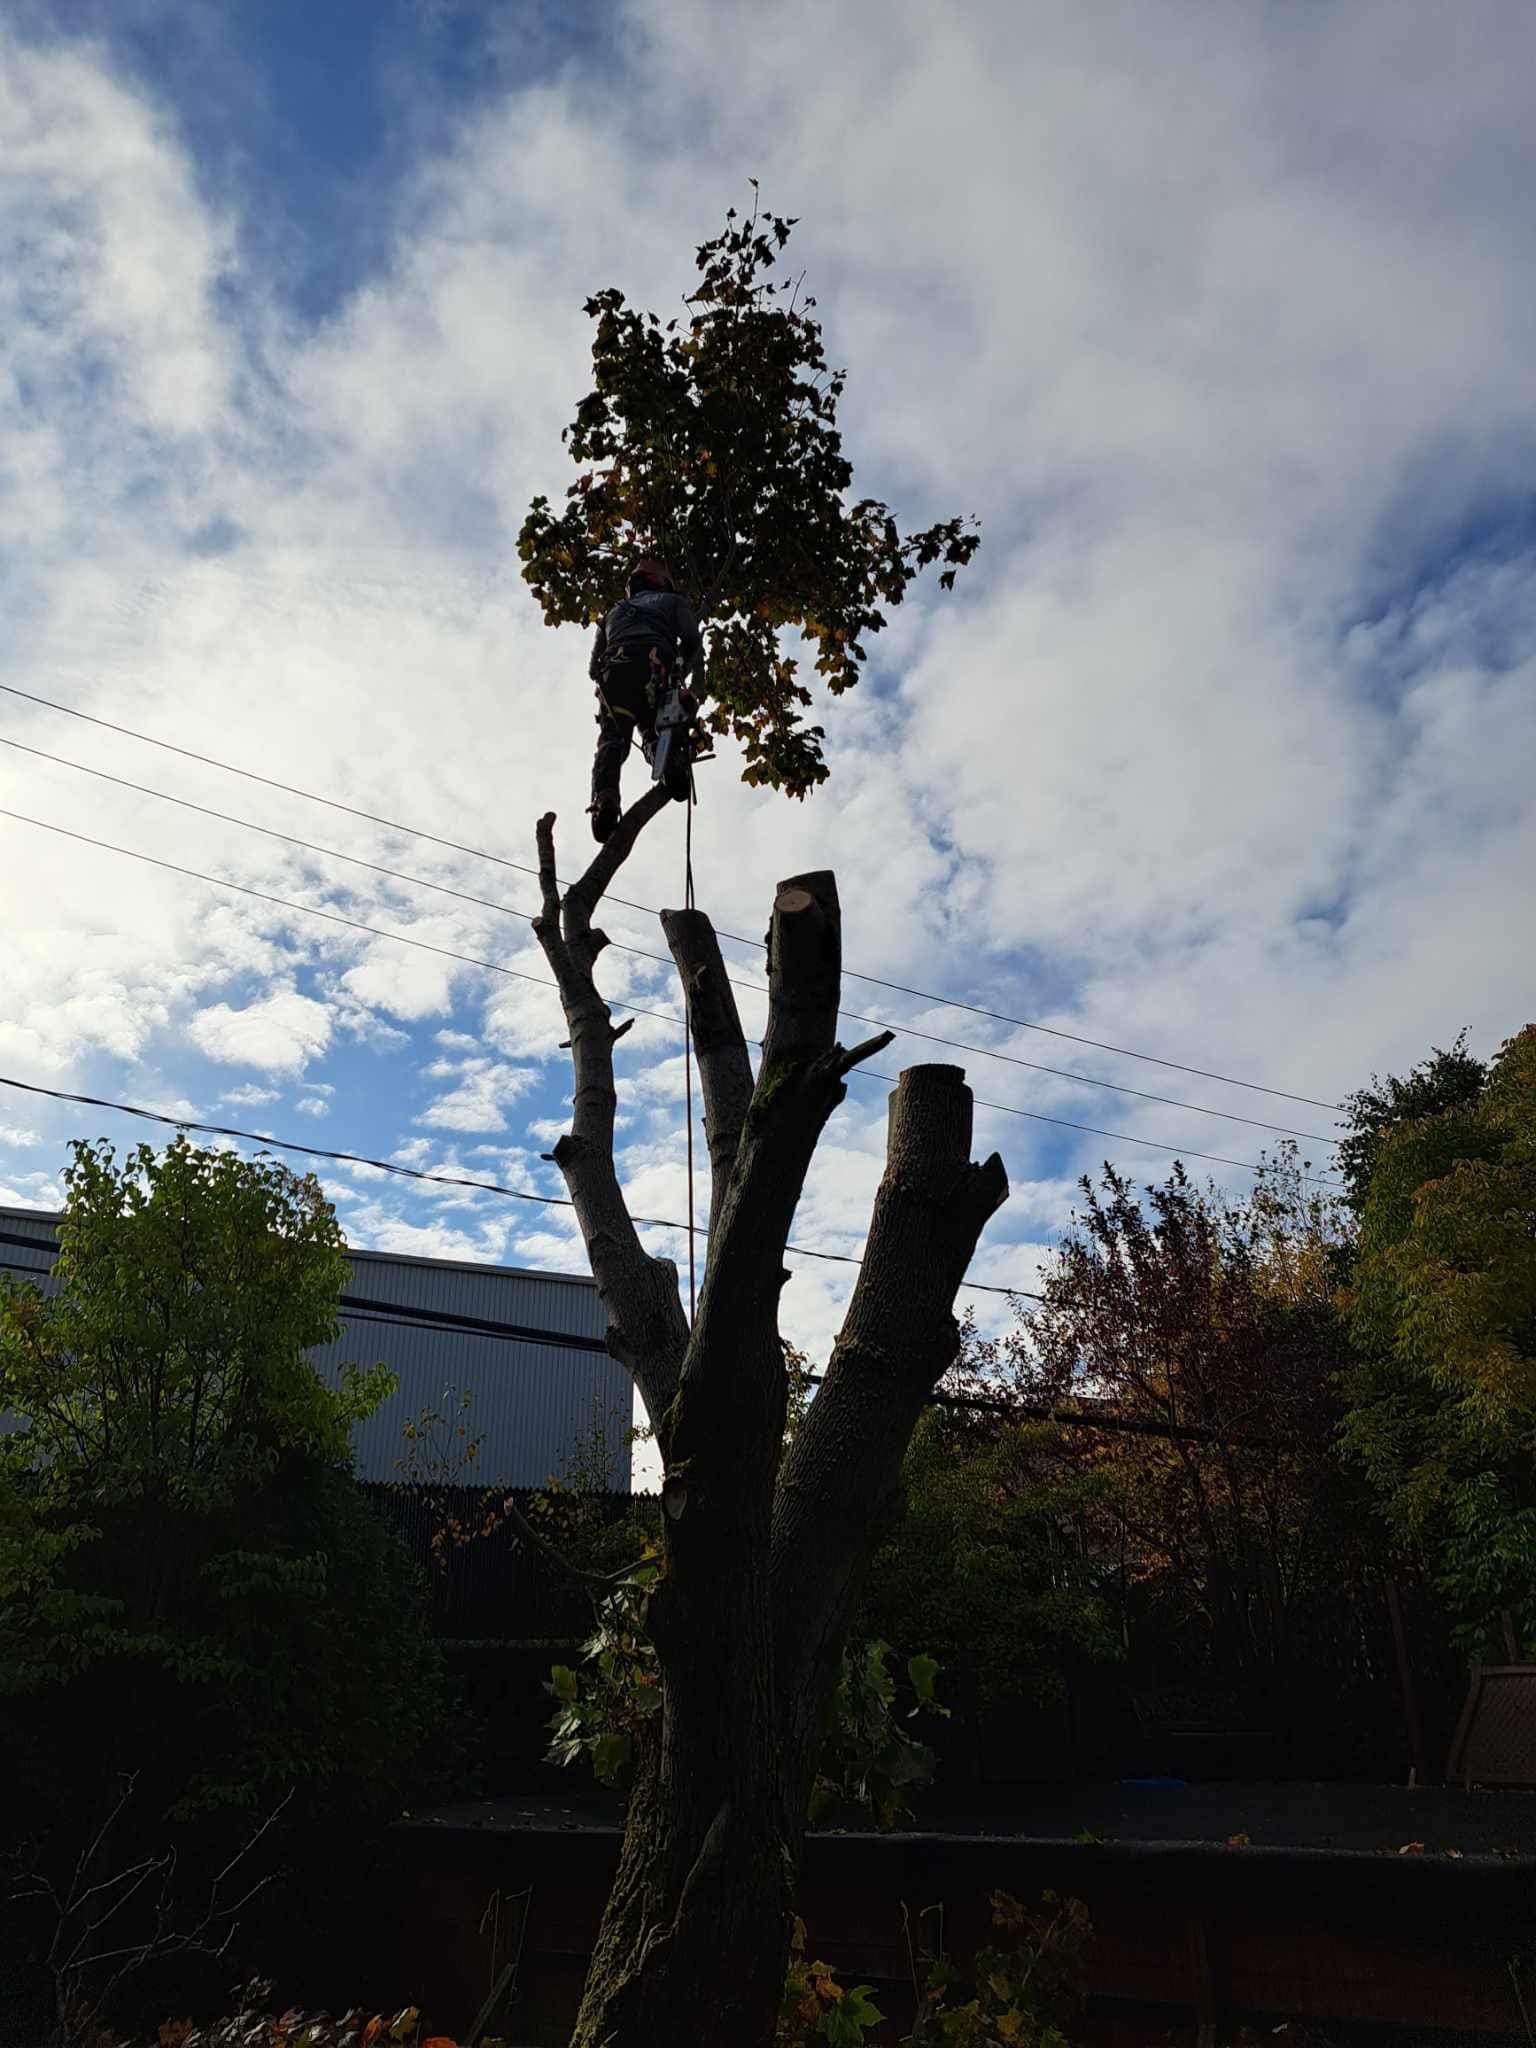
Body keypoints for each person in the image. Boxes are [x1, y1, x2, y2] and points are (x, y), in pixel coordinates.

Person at [587, 555, 705, 842]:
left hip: (615, 672)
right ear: (663, 582)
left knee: (613, 741)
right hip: (655, 666)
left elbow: (592, 668)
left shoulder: (613, 612)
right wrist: (684, 677)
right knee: (657, 725)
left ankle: (605, 801)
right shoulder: (673, 603)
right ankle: (669, 762)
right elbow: (692, 642)